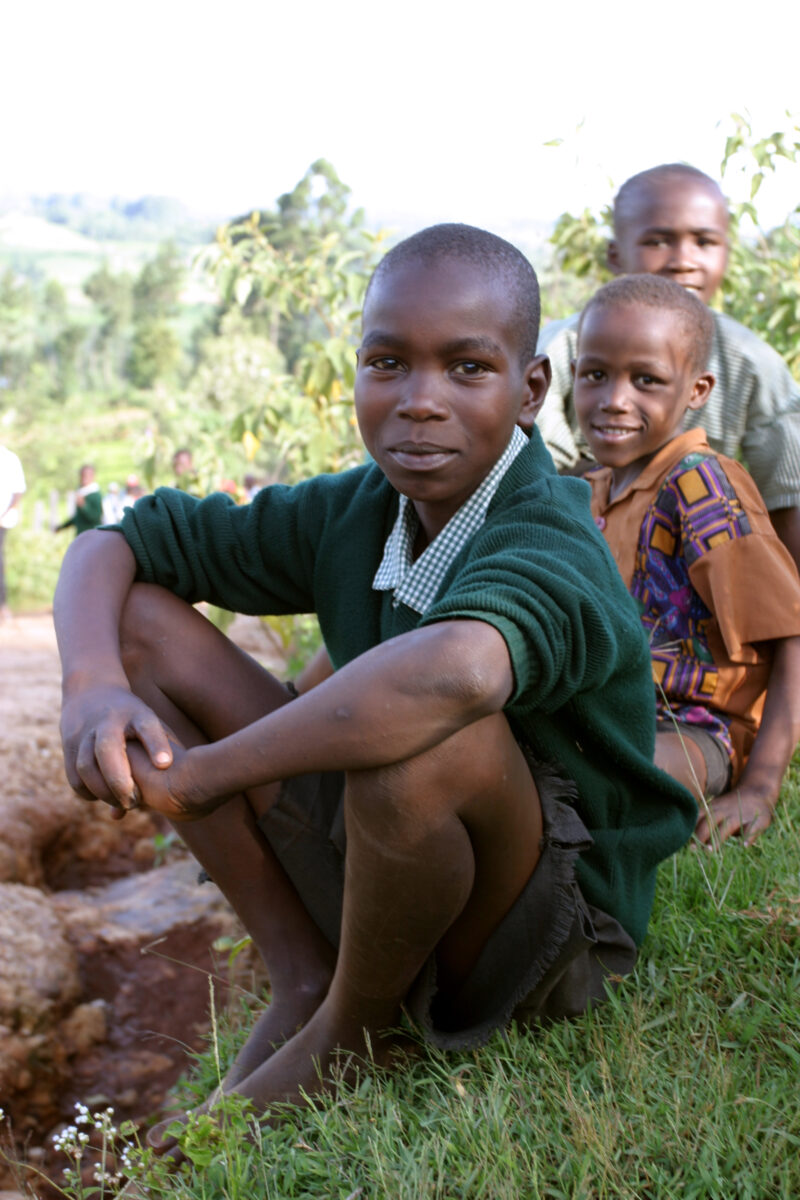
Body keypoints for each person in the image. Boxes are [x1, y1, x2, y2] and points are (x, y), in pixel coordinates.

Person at [54, 225, 695, 1138]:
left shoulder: (548, 534)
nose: (420, 402)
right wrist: (91, 685)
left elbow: (462, 671)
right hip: (396, 863)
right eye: (387, 362)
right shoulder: (362, 508)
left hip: (548, 932)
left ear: (530, 391)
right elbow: (115, 544)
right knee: (143, 627)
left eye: (467, 369)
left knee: (430, 733)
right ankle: (303, 972)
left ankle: (354, 1035)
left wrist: (205, 774)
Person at [573, 274, 800, 848]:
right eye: (595, 374)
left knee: (592, 778)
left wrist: (762, 784)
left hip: (694, 729)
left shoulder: (703, 487)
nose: (614, 399)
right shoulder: (587, 492)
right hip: (604, 714)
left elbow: (792, 635)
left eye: (646, 380)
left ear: (697, 391)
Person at [537, 163, 800, 573]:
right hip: (574, 553)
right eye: (658, 241)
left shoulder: (750, 360)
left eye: (704, 242)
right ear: (615, 254)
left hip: (701, 562)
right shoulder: (562, 347)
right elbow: (534, 470)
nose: (683, 260)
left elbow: (788, 494)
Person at [0, 443, 26, 619]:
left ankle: (3, 605)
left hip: (2, 520)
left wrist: (5, 513)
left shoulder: (10, 458)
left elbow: (18, 492)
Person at [56, 464, 103, 537]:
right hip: (80, 535)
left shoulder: (95, 495)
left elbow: (96, 517)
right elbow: (77, 519)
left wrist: (84, 506)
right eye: (82, 475)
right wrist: (62, 527)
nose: (83, 478)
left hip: (92, 536)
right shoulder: (81, 492)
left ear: (92, 476)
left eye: (86, 475)